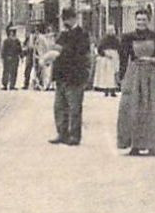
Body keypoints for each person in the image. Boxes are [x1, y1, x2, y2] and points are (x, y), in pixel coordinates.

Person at [117, 10, 155, 156]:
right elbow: (123, 59)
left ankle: (154, 144)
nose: (141, 22)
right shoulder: (128, 38)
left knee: (153, 107)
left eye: (144, 20)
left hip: (152, 74)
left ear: (149, 21)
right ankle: (135, 144)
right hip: (134, 74)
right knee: (133, 107)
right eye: (138, 20)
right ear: (135, 21)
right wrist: (121, 77)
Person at [50, 10, 91, 145]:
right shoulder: (63, 34)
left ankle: (74, 135)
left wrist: (62, 50)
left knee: (74, 107)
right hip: (61, 75)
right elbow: (56, 50)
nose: (64, 22)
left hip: (75, 76)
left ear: (73, 19)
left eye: (66, 19)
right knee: (59, 107)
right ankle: (62, 133)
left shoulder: (82, 35)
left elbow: (79, 53)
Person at [91, 29, 122, 97]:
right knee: (107, 75)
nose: (111, 32)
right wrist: (105, 54)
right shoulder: (104, 40)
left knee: (114, 74)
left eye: (112, 31)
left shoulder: (116, 40)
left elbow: (120, 49)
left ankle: (113, 90)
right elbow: (100, 49)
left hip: (114, 58)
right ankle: (106, 90)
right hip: (106, 59)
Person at [0, 26, 23, 90]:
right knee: (9, 71)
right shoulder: (9, 41)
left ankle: (9, 85)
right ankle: (8, 85)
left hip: (12, 58)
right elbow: (4, 50)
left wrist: (21, 56)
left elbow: (19, 49)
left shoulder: (14, 41)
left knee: (11, 71)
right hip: (11, 58)